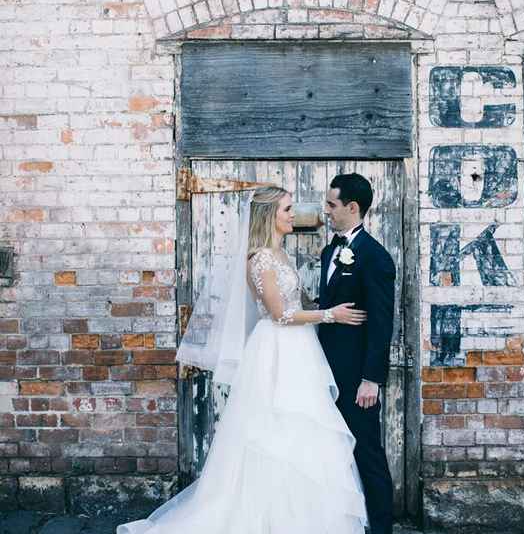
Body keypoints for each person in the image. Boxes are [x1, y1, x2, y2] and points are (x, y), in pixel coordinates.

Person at [117, 186, 369, 534]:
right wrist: (330, 315)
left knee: (301, 429)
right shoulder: (261, 258)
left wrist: (324, 304)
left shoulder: (281, 256)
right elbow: (279, 314)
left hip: (299, 350)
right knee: (272, 429)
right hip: (276, 349)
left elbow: (296, 304)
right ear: (269, 216)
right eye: (287, 209)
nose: (293, 214)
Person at [318, 173, 396, 534]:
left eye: (332, 205)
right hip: (326, 373)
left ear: (352, 207)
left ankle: (381, 529)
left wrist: (371, 379)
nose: (327, 211)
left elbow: (381, 324)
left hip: (356, 379)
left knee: (367, 454)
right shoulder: (327, 251)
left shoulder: (375, 258)